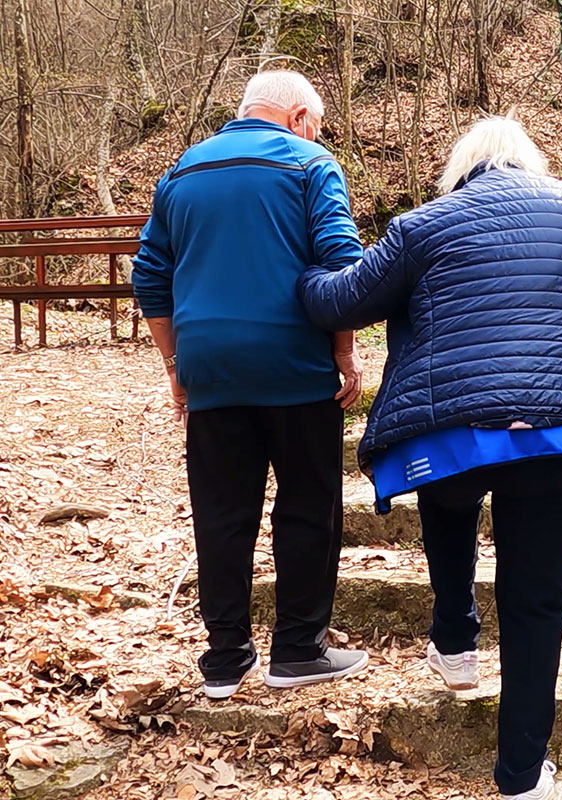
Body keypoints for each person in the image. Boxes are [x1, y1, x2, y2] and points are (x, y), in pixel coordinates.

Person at [299, 118, 562, 800]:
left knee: (447, 493)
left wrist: (301, 270)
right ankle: (521, 776)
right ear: (530, 162)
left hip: (451, 431)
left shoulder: (422, 225)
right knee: (537, 600)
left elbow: (342, 300)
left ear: (462, 167)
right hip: (560, 432)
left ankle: (454, 639)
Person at [132, 70, 369, 699]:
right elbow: (341, 265)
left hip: (210, 367)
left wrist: (174, 364)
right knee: (308, 506)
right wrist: (344, 354)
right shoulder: (311, 164)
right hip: (293, 365)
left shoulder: (183, 170)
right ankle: (297, 650)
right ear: (298, 118)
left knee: (221, 513)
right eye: (316, 124)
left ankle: (225, 658)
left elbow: (150, 276)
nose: (318, 134)